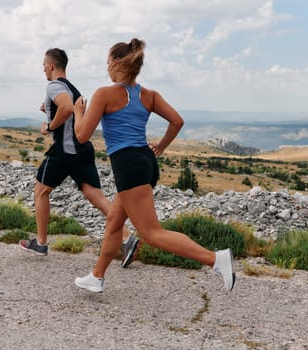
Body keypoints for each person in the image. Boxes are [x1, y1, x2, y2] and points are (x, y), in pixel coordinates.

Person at [72, 39, 235, 293]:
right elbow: (177, 121)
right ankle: (96, 276)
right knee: (115, 221)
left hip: (128, 166)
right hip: (146, 163)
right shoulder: (149, 95)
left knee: (151, 233)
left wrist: (78, 112)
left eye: (107, 62)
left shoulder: (104, 94)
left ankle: (216, 260)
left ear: (116, 63)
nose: (106, 67)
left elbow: (82, 135)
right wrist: (161, 147)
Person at [19, 48, 140, 268]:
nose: (43, 70)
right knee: (94, 195)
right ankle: (127, 237)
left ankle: (41, 243)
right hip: (83, 148)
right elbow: (70, 108)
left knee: (41, 190)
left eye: (43, 66)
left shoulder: (54, 85)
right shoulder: (70, 87)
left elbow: (66, 109)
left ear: (51, 66)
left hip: (66, 149)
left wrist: (49, 126)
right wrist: (48, 109)